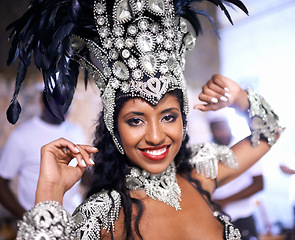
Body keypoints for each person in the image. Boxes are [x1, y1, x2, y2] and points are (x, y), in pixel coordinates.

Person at [5, 0, 284, 239]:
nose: (155, 136)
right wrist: (50, 193)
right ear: (114, 129)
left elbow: (270, 133)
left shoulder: (201, 173)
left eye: (168, 117)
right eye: (136, 120)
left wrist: (241, 100)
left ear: (183, 120)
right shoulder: (102, 215)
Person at [0, 91, 87, 218]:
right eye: (58, 101)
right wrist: (28, 218)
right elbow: (2, 183)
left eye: (67, 101)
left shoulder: (76, 131)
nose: (64, 106)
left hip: (72, 218)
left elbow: (84, 174)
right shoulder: (22, 136)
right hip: (38, 223)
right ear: (42, 101)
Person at [208, 112, 264, 240]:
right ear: (211, 129)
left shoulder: (246, 148)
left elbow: (259, 184)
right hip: (216, 219)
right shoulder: (206, 152)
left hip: (242, 216)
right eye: (218, 128)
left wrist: (225, 201)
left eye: (224, 127)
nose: (223, 132)